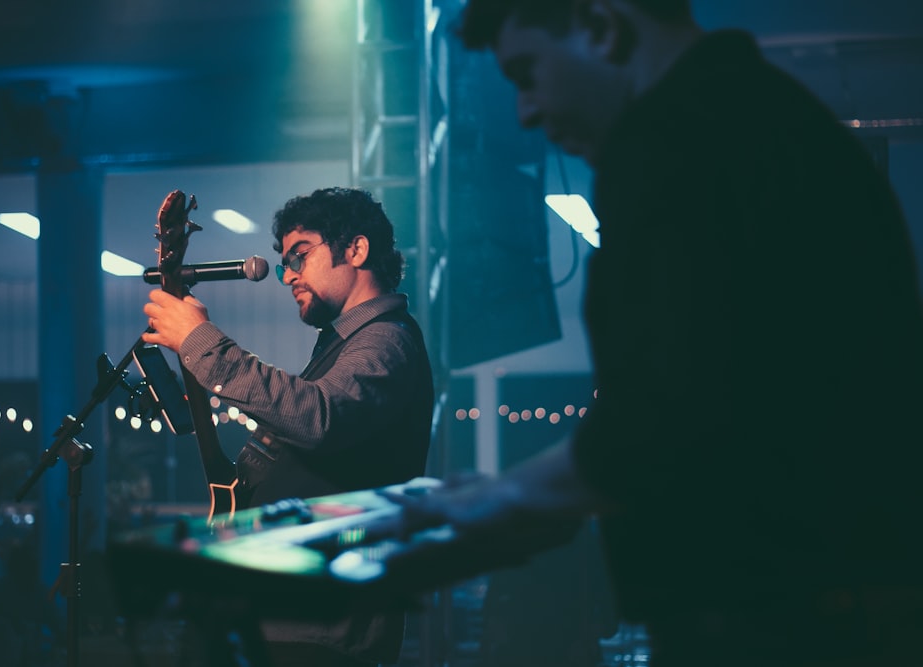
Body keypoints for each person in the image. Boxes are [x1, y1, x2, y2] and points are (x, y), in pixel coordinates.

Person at [389, 1, 923, 666]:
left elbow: (655, 422)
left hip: (779, 619)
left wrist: (495, 498)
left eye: (528, 72)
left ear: (600, 26)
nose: (525, 110)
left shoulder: (673, 143)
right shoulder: (766, 118)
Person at [142, 186, 434, 667]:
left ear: (357, 250)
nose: (287, 276)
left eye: (300, 255)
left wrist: (201, 342)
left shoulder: (387, 341)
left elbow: (320, 417)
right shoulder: (341, 345)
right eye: (284, 262)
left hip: (319, 631)